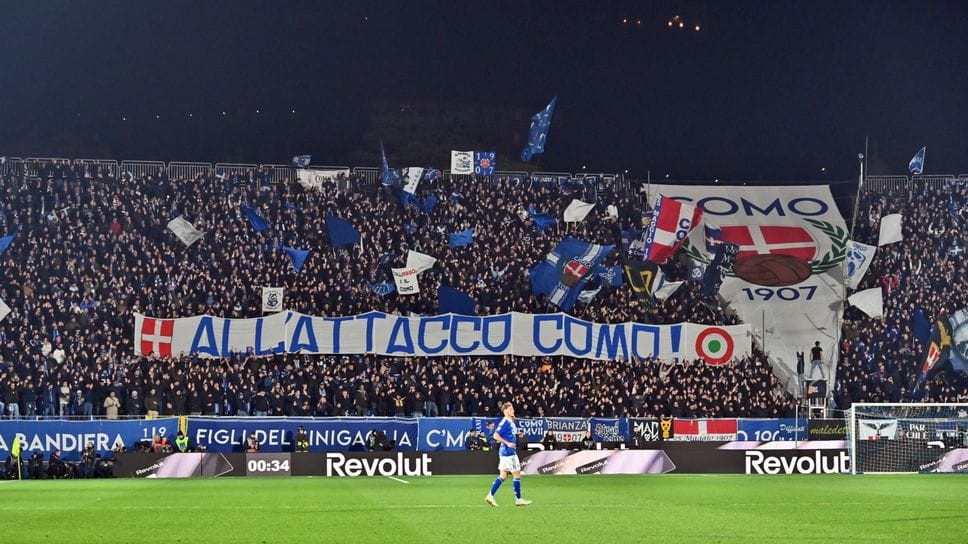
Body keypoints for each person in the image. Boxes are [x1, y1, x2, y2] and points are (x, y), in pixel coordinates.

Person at [484, 402, 531, 507]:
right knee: (517, 474)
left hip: (505, 453)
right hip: (509, 453)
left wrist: (517, 434)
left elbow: (508, 434)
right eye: (510, 409)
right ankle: (518, 499)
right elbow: (496, 436)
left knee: (503, 475)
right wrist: (508, 443)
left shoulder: (511, 422)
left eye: (513, 409)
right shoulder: (505, 422)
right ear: (505, 411)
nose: (513, 410)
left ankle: (490, 496)